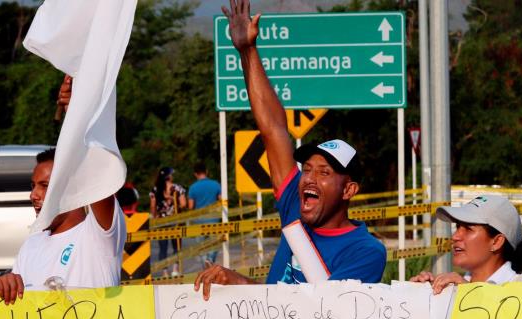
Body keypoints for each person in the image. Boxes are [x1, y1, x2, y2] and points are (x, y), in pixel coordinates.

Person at [194, 0, 386, 300]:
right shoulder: (295, 206)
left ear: (349, 190)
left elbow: (320, 314)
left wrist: (240, 283)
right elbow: (273, 129)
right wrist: (247, 51)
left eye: (324, 172)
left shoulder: (365, 252)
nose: (309, 178)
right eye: (307, 169)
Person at [0, 76, 125, 304]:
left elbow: (95, 170)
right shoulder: (32, 244)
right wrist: (7, 283)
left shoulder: (97, 235)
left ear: (74, 186)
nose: (33, 195)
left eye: (45, 186)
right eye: (33, 186)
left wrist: (76, 113)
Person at [410, 195, 522, 293]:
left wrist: (469, 292)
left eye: (468, 229)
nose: (455, 236)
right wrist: (421, 295)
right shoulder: (451, 288)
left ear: (497, 242)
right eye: (458, 226)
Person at [149, 167, 187, 276]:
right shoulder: (177, 188)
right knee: (177, 246)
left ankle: (164, 272)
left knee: (163, 248)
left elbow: (153, 206)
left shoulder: (155, 190)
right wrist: (174, 202)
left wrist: (155, 216)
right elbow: (183, 204)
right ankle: (175, 269)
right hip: (176, 221)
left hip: (161, 222)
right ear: (168, 176)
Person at [187, 166, 222, 264]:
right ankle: (210, 259)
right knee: (214, 243)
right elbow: (221, 199)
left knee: (201, 247)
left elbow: (190, 206)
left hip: (199, 221)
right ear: (206, 171)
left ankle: (206, 266)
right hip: (213, 219)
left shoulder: (193, 187)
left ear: (195, 174)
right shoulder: (215, 184)